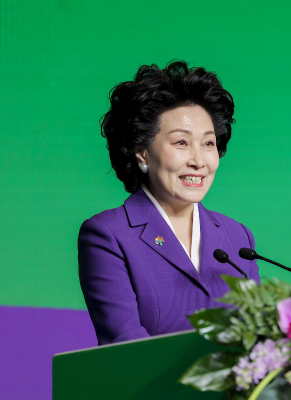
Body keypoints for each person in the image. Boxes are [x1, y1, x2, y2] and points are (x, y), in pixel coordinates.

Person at [78, 60, 260, 345]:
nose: (199, 161)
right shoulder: (108, 235)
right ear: (142, 153)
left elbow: (257, 336)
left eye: (208, 143)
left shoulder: (238, 237)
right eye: (181, 143)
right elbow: (125, 342)